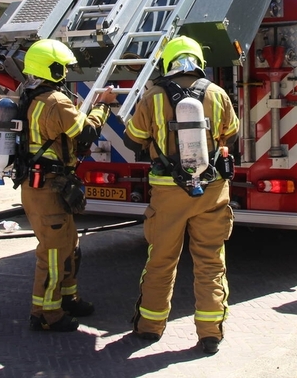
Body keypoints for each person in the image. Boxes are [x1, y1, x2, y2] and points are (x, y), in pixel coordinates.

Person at [124, 36, 239, 355]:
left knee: (161, 259)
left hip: (167, 191)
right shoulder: (216, 93)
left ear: (168, 62)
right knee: (211, 261)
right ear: (199, 60)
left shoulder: (153, 95)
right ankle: (210, 334)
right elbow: (232, 133)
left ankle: (149, 327)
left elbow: (133, 139)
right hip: (212, 191)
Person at [20, 39, 117, 332]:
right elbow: (86, 133)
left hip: (44, 185)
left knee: (69, 246)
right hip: (48, 187)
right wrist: (103, 106)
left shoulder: (31, 97)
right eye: (62, 67)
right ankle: (46, 314)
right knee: (52, 253)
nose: (65, 72)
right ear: (51, 68)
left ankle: (67, 298)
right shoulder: (55, 101)